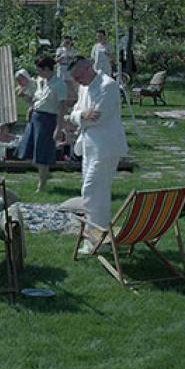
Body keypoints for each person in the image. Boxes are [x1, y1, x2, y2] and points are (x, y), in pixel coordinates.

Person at [68, 56, 128, 241]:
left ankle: (96, 237)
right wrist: (82, 115)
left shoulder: (107, 86)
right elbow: (74, 114)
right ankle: (97, 234)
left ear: (88, 68)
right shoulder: (84, 87)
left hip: (105, 148)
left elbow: (99, 117)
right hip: (88, 147)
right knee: (95, 193)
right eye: (75, 79)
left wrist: (80, 117)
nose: (77, 81)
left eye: (78, 76)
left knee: (92, 190)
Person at [16, 56, 65, 191]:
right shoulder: (41, 82)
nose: (38, 74)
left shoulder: (59, 84)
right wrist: (25, 97)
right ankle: (45, 174)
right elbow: (36, 100)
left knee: (41, 152)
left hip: (48, 119)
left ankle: (42, 184)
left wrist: (59, 127)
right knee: (28, 150)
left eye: (40, 71)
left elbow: (62, 106)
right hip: (36, 117)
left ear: (47, 69)